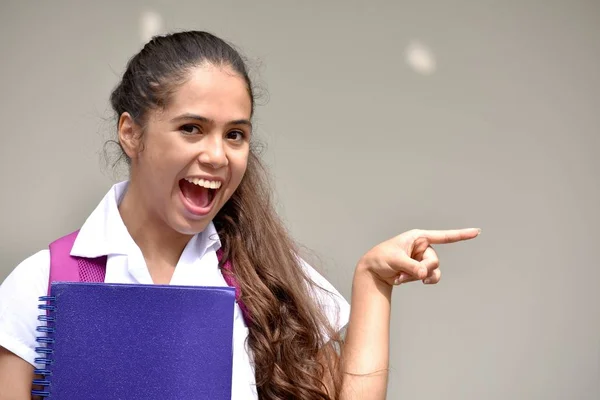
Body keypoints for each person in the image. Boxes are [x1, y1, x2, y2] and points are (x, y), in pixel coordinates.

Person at [0, 30, 479, 400]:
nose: (218, 155)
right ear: (131, 133)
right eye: (192, 128)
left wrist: (373, 279)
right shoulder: (41, 283)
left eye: (235, 135)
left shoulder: (264, 279)